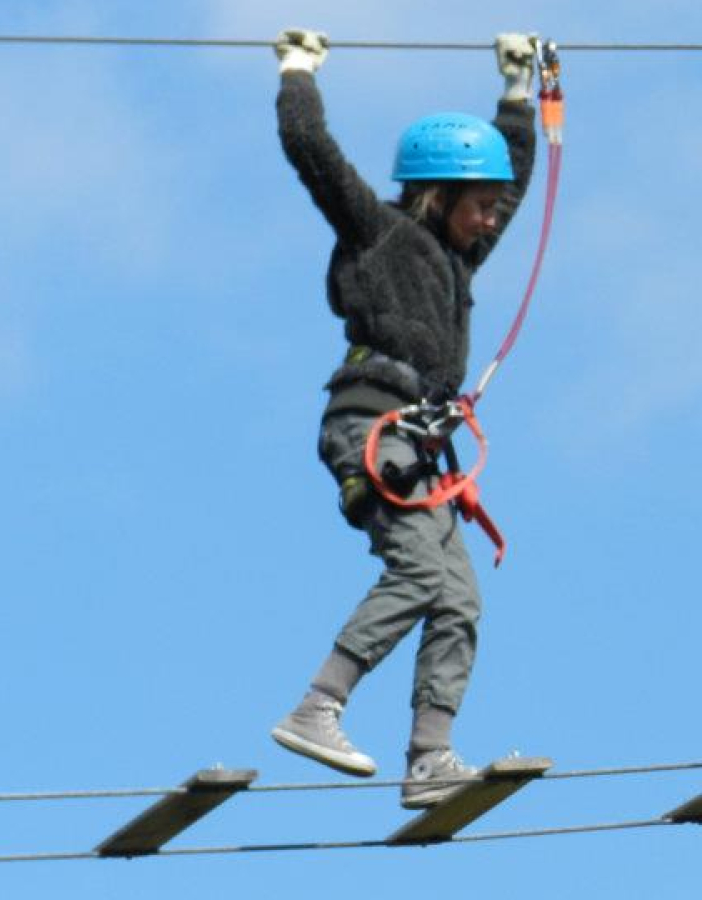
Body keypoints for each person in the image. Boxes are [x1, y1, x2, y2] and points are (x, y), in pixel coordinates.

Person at [268, 28, 537, 810]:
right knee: (419, 572)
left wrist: (516, 96)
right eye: (480, 206)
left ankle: (429, 757)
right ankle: (319, 705)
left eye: (494, 209)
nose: (491, 220)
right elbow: (310, 148)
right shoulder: (379, 234)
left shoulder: (458, 260)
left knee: (457, 596)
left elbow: (510, 176)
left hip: (419, 445)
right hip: (372, 427)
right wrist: (297, 71)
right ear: (440, 194)